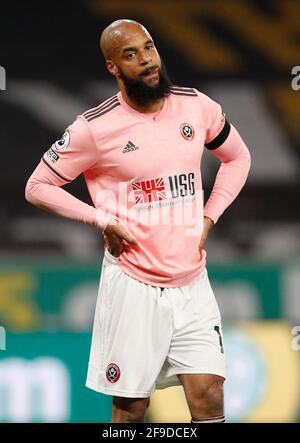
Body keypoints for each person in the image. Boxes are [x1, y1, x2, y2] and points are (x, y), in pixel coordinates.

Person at [25, 19, 251, 423]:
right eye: (131, 54)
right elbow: (38, 186)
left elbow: (238, 157)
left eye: (149, 48)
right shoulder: (93, 128)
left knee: (210, 393)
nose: (146, 60)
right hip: (134, 283)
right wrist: (99, 220)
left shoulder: (196, 105)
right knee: (131, 408)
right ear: (113, 67)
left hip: (191, 280)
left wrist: (209, 217)